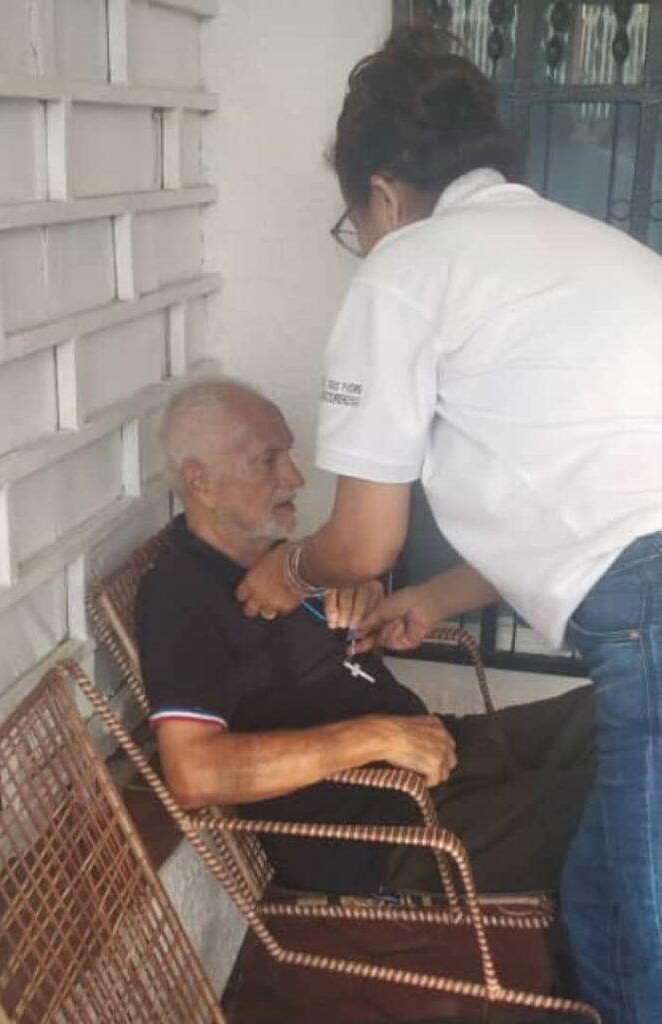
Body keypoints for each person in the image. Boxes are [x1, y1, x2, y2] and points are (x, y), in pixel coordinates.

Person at [234, 26, 662, 1024]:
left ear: (382, 195)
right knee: (601, 901)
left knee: (647, 925)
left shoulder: (408, 268)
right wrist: (433, 596)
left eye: (354, 224)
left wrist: (286, 572)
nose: (362, 244)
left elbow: (362, 543)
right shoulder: (589, 249)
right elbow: (590, 501)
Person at [136, 376, 593, 903]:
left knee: (630, 715)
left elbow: (317, 661)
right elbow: (194, 773)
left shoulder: (275, 562)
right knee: (621, 804)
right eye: (268, 460)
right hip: (387, 827)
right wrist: (376, 737)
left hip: (441, 751)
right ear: (200, 481)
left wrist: (360, 595)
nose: (295, 476)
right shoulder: (181, 594)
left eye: (288, 453)